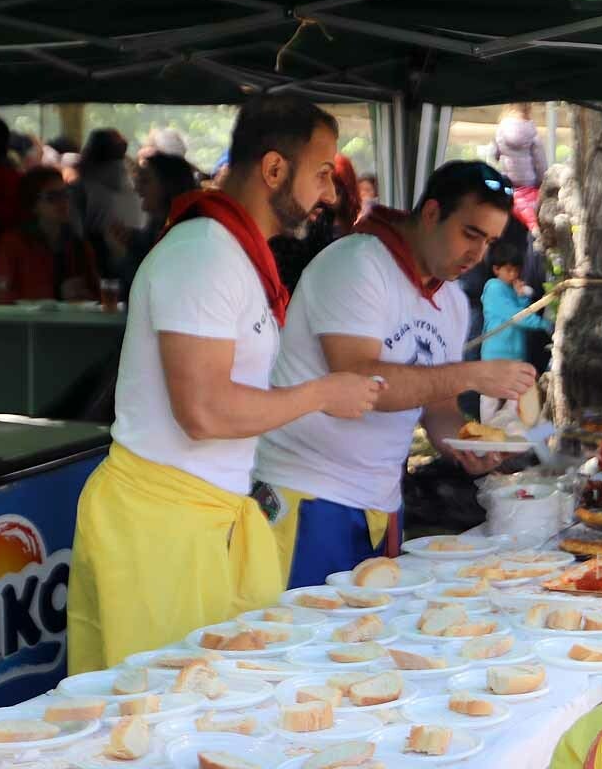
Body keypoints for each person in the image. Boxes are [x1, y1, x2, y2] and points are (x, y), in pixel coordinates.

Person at [66, 96, 384, 673]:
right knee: (159, 721)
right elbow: (205, 412)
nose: (331, 193)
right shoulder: (203, 253)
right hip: (159, 529)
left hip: (203, 519)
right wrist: (321, 393)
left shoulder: (234, 252)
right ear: (273, 170)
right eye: (320, 174)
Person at [252, 161, 536, 588]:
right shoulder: (358, 264)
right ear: (431, 213)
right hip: (306, 494)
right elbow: (360, 380)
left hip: (382, 503)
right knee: (294, 640)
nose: (477, 254)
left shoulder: (453, 302)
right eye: (470, 234)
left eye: (489, 242)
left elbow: (438, 408)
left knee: (366, 644)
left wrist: (464, 444)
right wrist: (471, 374)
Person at [0, 166, 99, 304]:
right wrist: (55, 294)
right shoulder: (12, 244)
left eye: (65, 194)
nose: (63, 202)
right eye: (52, 197)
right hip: (27, 324)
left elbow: (98, 294)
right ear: (33, 204)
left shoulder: (78, 244)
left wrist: (85, 295)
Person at [478, 238, 553, 422]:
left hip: (514, 353)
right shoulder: (493, 288)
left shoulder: (509, 288)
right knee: (490, 397)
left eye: (517, 270)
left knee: (515, 397)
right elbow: (516, 316)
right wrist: (544, 324)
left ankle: (504, 432)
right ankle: (487, 433)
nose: (514, 275)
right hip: (496, 354)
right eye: (509, 270)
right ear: (496, 269)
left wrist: (521, 297)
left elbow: (518, 310)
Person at [105, 153, 200, 296]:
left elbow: (149, 289)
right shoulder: (151, 231)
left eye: (145, 181)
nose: (136, 188)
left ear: (168, 185)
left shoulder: (184, 236)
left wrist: (121, 254)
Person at [269, 154, 361, 293]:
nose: (328, 196)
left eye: (337, 190)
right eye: (319, 187)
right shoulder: (293, 227)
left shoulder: (359, 233)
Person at [72, 129, 146, 276]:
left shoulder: (83, 187)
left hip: (95, 259)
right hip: (135, 256)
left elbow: (76, 231)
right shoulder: (136, 186)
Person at [491, 103, 547, 231]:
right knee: (531, 223)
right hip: (529, 185)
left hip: (508, 186)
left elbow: (494, 154)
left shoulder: (501, 129)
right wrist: (541, 183)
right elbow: (540, 164)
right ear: (528, 108)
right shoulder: (532, 133)